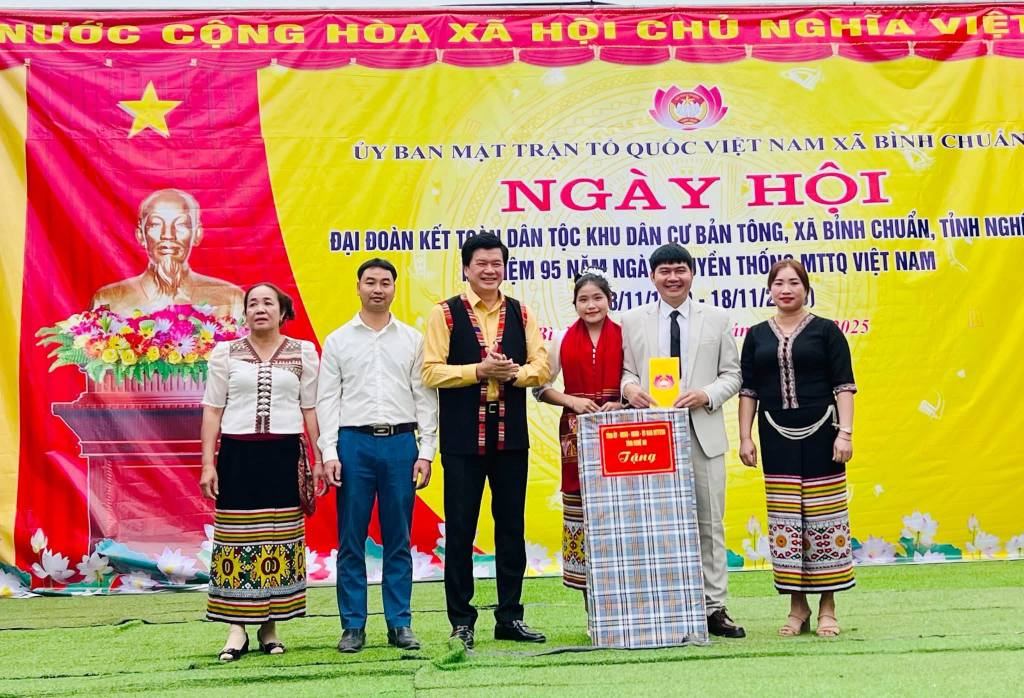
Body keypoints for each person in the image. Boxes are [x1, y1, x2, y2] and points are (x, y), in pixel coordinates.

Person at [422, 233, 550, 649]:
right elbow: (430, 372)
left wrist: (513, 374)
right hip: (463, 437)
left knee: (511, 528)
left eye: (496, 263)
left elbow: (542, 367)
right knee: (460, 530)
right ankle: (462, 620)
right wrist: (478, 370)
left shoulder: (522, 312)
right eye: (481, 263)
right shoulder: (445, 314)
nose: (490, 270)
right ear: (466, 268)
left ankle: (510, 617)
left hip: (510, 434)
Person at [620, 243, 745, 638]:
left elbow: (733, 375)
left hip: (702, 433)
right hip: (650, 435)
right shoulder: (633, 320)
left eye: (680, 270)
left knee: (710, 522)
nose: (672, 278)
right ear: (652, 276)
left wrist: (707, 394)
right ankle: (665, 605)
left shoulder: (717, 319)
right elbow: (624, 371)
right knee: (655, 522)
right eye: (664, 271)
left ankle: (714, 606)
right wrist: (631, 388)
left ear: (692, 273)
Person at [316, 258, 438, 654]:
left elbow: (425, 398)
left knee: (398, 538)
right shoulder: (338, 341)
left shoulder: (411, 340)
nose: (378, 289)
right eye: (370, 282)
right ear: (357, 287)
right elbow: (327, 401)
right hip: (354, 446)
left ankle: (399, 623)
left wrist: (426, 452)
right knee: (351, 539)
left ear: (394, 289)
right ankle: (353, 625)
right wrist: (330, 452)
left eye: (386, 282)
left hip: (401, 445)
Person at [199, 282, 323, 661]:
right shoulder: (225, 353)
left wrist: (318, 460)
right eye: (253, 303)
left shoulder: (304, 352)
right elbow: (213, 410)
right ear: (245, 312)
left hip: (285, 455)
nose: (260, 309)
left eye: (268, 303)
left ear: (283, 312)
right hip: (238, 455)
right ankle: (236, 630)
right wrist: (208, 463)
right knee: (237, 540)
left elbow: (311, 410)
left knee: (279, 538)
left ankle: (270, 628)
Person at [737, 260, 856, 638]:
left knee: (825, 519)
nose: (786, 289)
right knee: (786, 521)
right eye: (778, 283)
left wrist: (846, 434)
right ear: (769, 290)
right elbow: (748, 391)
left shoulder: (826, 332)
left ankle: (828, 606)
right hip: (775, 434)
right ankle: (797, 606)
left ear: (806, 288)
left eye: (794, 283)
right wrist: (745, 436)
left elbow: (844, 387)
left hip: (824, 434)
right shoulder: (756, 335)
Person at [534, 270, 622, 597]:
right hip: (576, 432)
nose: (591, 305)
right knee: (583, 509)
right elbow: (540, 388)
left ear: (610, 300)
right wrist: (572, 400)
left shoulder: (627, 333)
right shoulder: (560, 339)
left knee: (620, 508)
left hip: (621, 431)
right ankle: (591, 605)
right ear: (574, 304)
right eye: (583, 299)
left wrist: (621, 401)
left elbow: (641, 379)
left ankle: (623, 599)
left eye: (597, 297)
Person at [92, 188, 244, 317]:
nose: (168, 235)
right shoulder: (108, 300)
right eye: (156, 224)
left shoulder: (231, 299)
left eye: (180, 224)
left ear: (197, 234)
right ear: (141, 235)